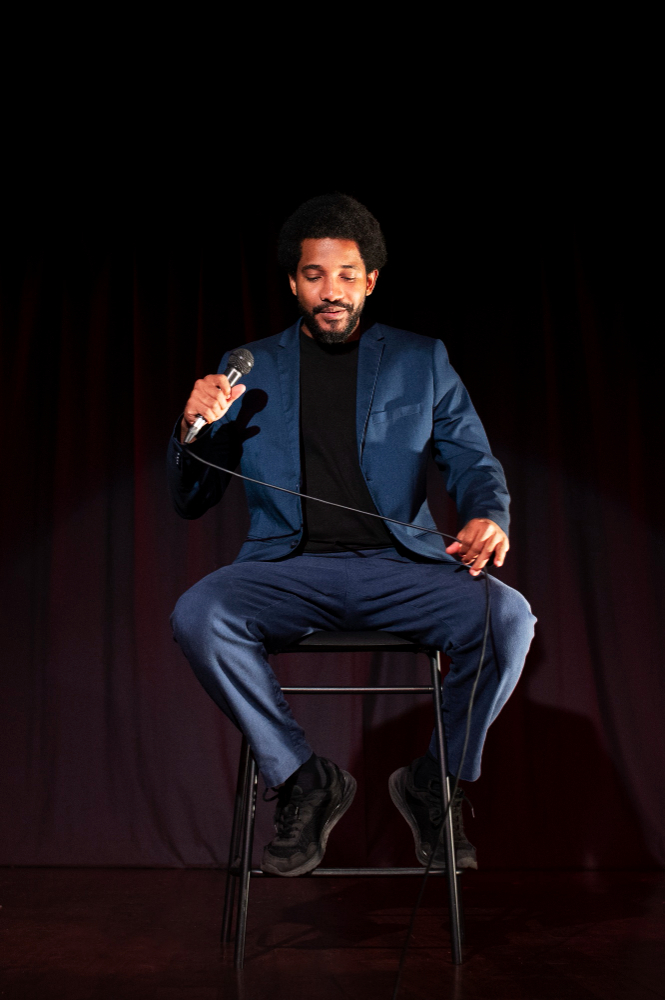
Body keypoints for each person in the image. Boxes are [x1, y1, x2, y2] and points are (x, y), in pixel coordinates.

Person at [168, 193, 536, 878]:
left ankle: (435, 781)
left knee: (506, 617)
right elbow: (192, 498)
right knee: (199, 613)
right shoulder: (246, 366)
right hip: (286, 570)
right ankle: (304, 779)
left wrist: (489, 514)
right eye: (314, 275)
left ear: (369, 280)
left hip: (400, 569)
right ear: (292, 282)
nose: (329, 291)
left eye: (346, 275)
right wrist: (192, 429)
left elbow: (471, 460)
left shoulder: (420, 360)